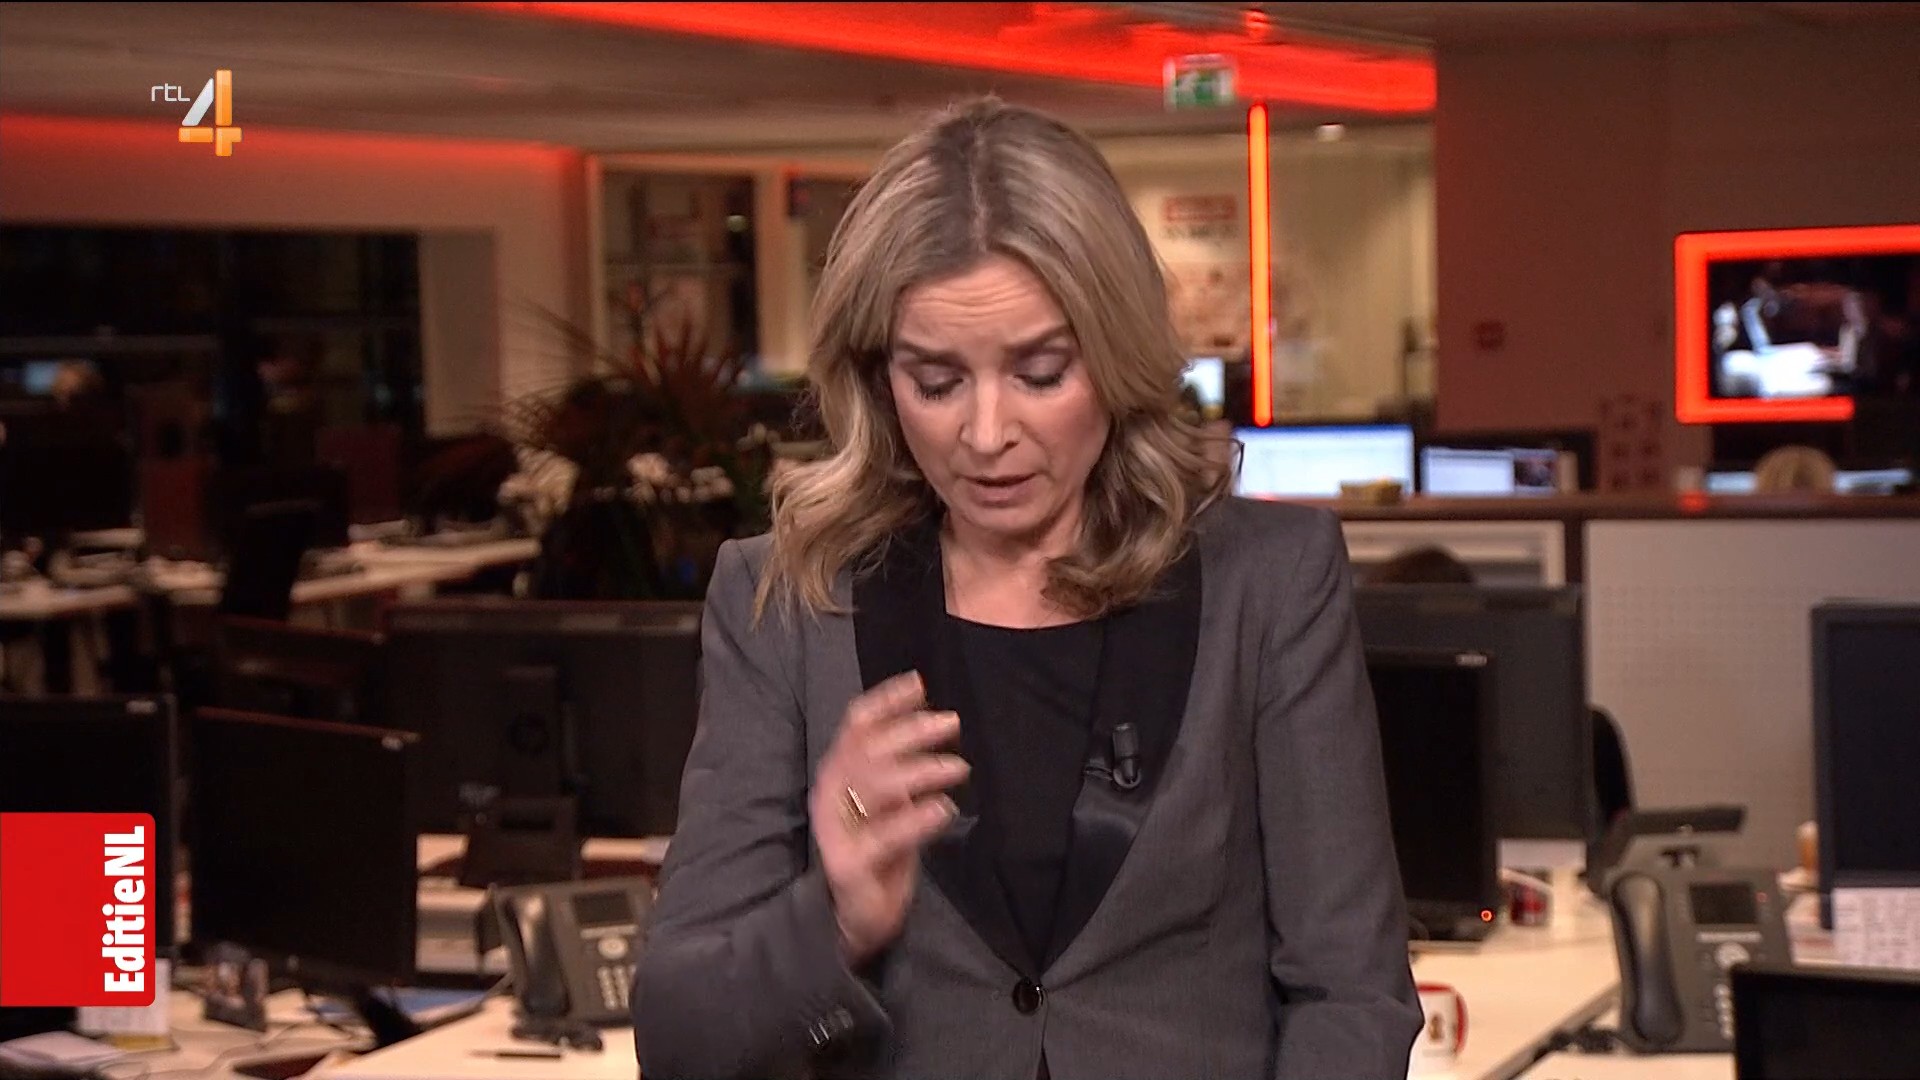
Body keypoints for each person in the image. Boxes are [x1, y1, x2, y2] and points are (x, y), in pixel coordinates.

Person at [632, 97, 1421, 1080]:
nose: (987, 433)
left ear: (1118, 356)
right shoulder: (788, 603)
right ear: (878, 378)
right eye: (936, 381)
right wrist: (834, 917)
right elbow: (679, 1042)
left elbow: (1350, 995)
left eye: (1041, 372)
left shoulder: (1270, 583)